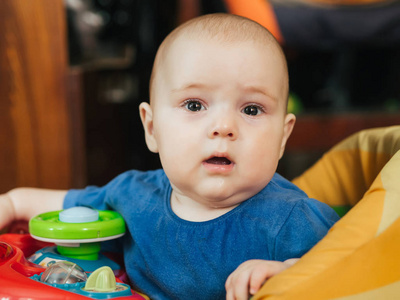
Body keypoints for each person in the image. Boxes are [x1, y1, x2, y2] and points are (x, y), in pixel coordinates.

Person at [0, 13, 339, 300]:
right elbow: (70, 210)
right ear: (152, 128)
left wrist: (286, 272)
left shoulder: (292, 220)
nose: (223, 127)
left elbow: (348, 265)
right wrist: (12, 204)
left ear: (282, 136)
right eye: (194, 105)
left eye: (251, 109)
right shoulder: (133, 194)